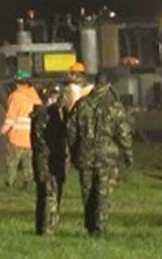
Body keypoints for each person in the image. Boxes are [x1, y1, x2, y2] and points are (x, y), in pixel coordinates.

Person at [66, 71, 134, 236]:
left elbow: (70, 131)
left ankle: (90, 226)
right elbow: (123, 133)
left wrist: (75, 150)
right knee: (102, 193)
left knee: (87, 192)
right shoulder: (114, 106)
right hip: (107, 156)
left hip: (85, 154)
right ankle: (100, 228)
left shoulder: (81, 104)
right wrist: (128, 154)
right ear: (108, 85)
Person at [31, 84, 69, 235]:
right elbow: (43, 140)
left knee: (45, 194)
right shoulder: (45, 114)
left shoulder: (44, 113)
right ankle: (47, 229)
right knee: (50, 193)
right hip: (48, 160)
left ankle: (43, 227)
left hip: (45, 159)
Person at [2, 69, 41, 189]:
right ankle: (29, 183)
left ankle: (9, 183)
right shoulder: (35, 96)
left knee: (12, 163)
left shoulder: (16, 96)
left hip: (17, 137)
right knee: (28, 163)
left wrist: (2, 131)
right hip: (30, 137)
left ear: (17, 82)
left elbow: (11, 117)